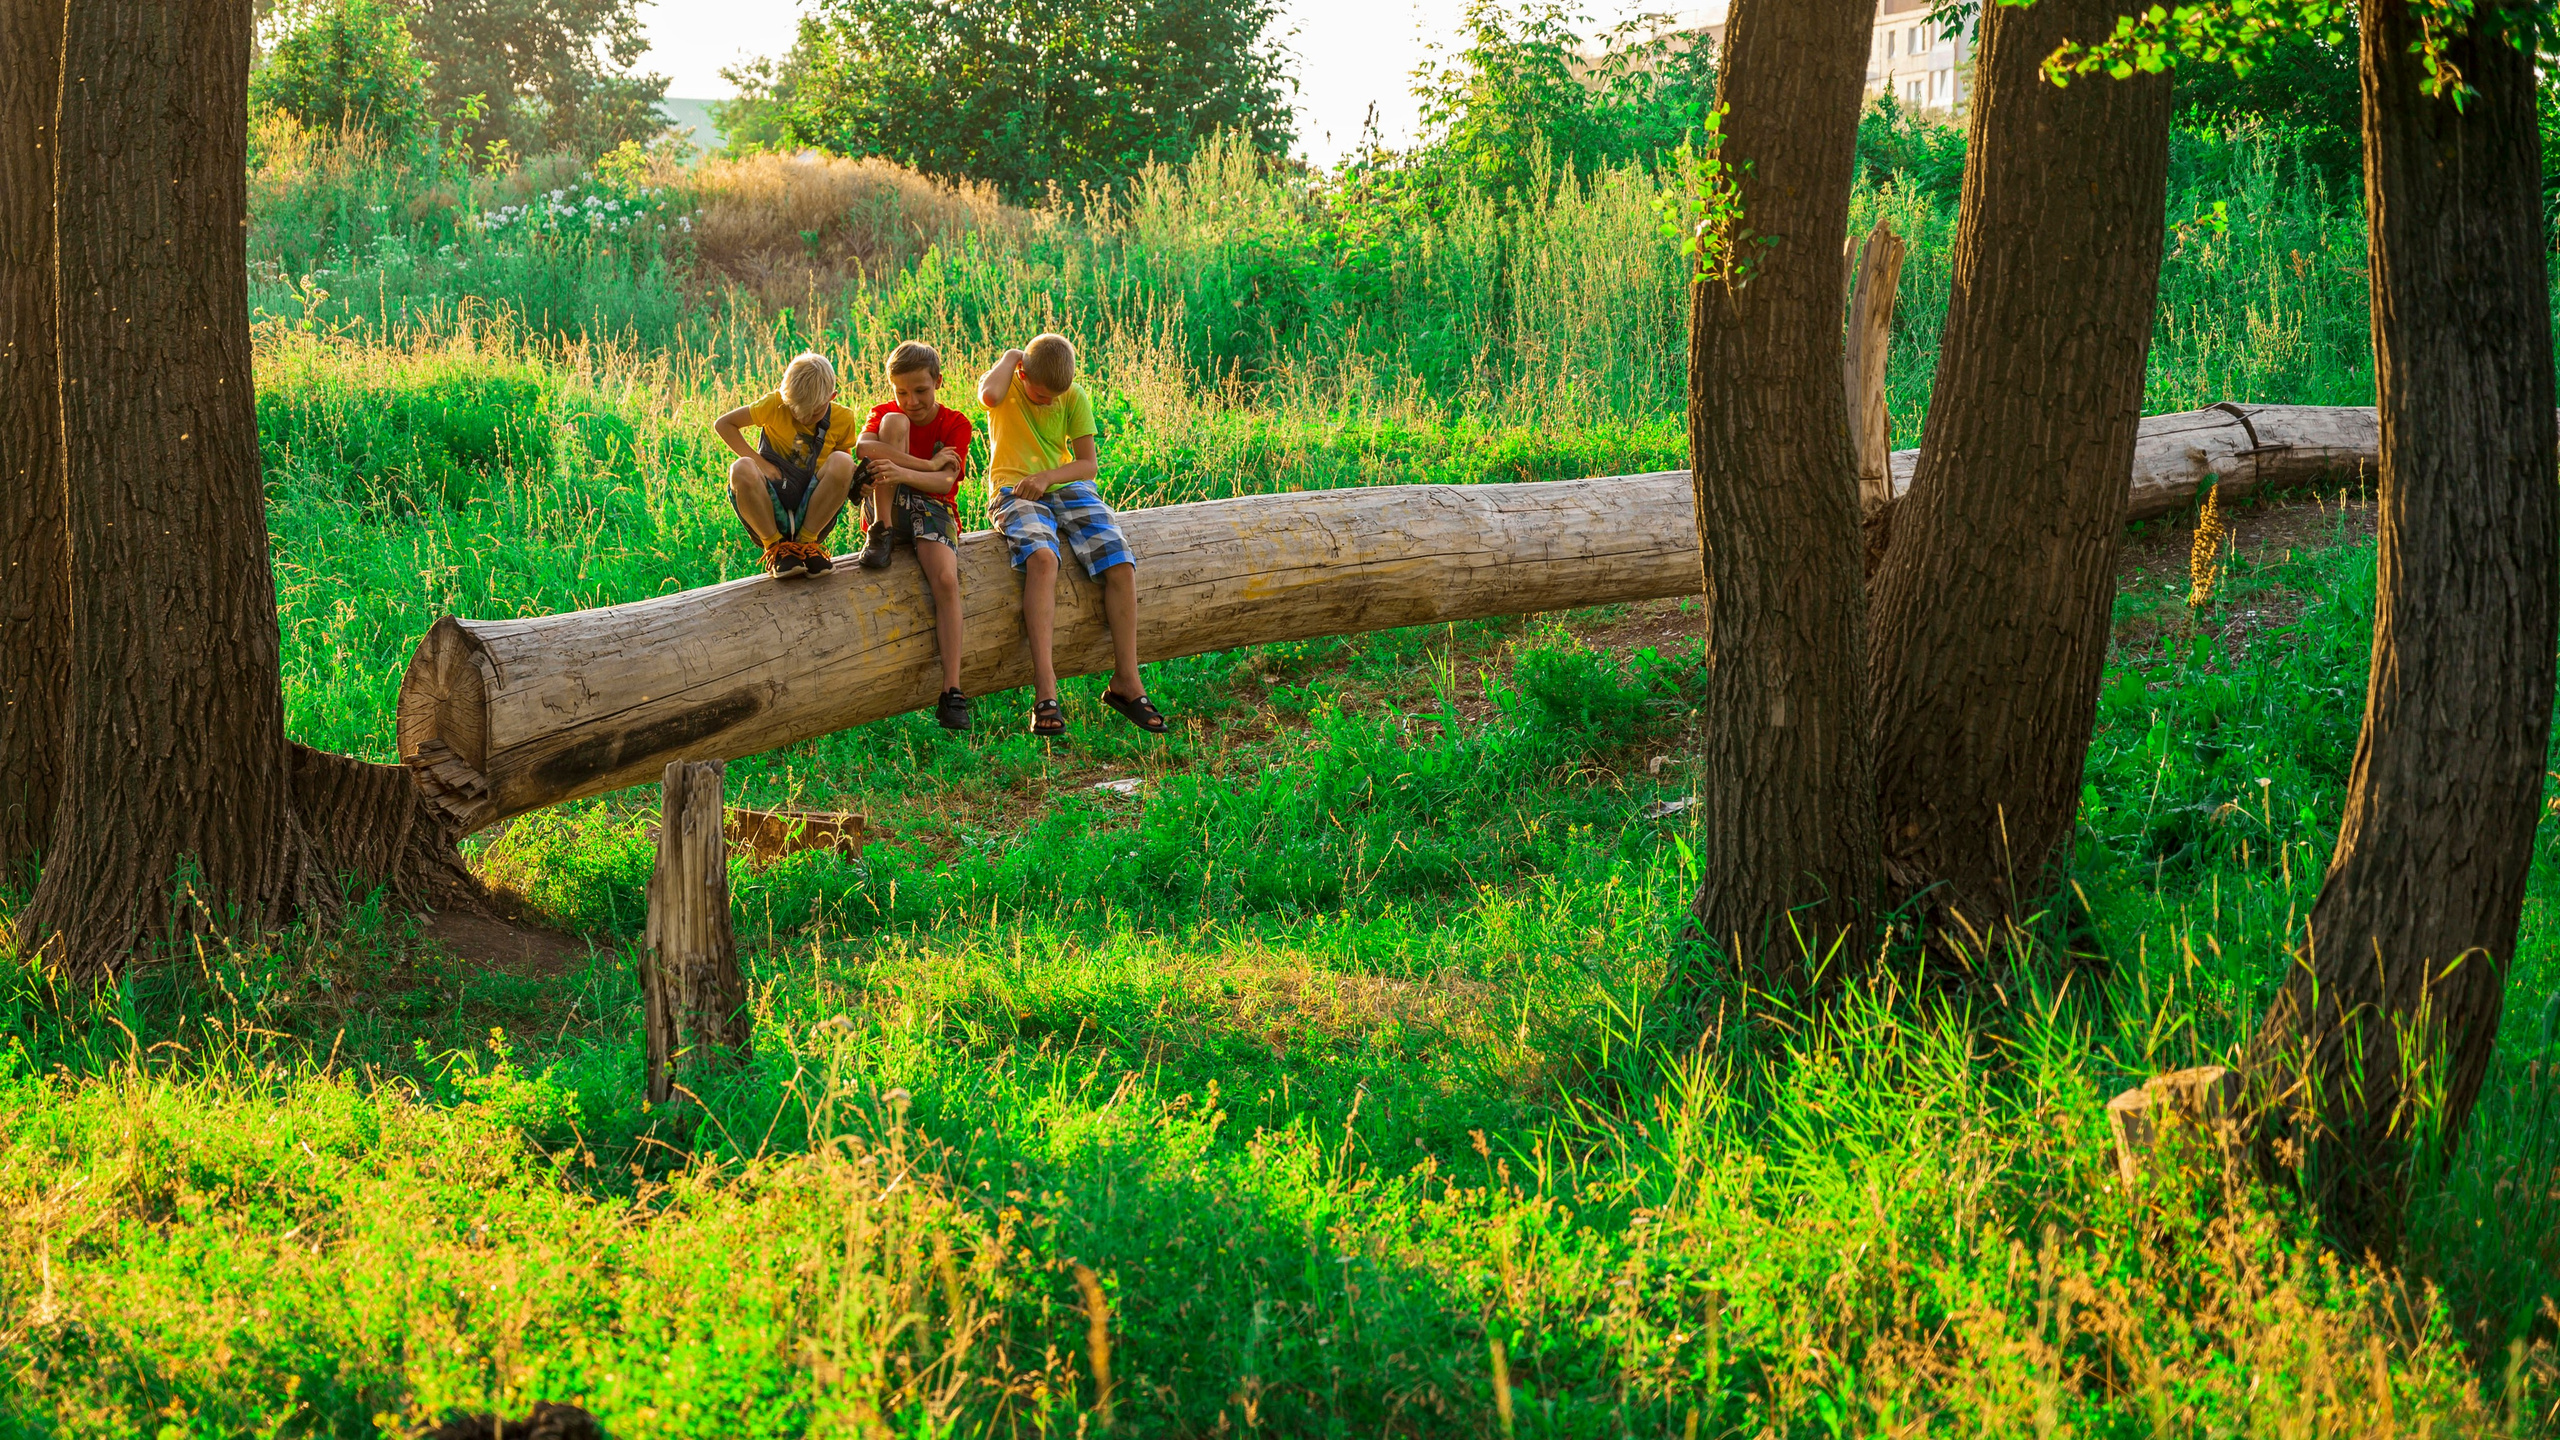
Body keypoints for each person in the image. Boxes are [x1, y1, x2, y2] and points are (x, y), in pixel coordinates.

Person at [979, 333, 1166, 737]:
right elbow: (988, 396)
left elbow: (1087, 464)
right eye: (1041, 395)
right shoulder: (1008, 385)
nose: (1049, 402)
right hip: (1013, 489)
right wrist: (1011, 355)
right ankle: (1046, 690)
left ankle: (1127, 680)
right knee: (1043, 558)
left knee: (1120, 561)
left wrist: (1048, 477)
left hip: (1066, 486)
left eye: (1056, 396)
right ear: (1022, 372)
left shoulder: (1072, 395)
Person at [852, 340, 975, 730]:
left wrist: (908, 471)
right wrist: (926, 464)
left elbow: (944, 482)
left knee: (946, 581)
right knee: (893, 425)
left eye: (920, 390)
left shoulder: (955, 423)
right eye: (901, 391)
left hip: (933, 507)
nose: (911, 401)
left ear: (938, 381)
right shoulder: (887, 413)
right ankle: (882, 531)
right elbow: (864, 446)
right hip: (887, 501)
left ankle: (952, 690)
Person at [712, 351, 861, 579]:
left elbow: (841, 470)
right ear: (784, 395)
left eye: (814, 413)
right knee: (741, 468)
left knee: (844, 461)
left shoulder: (843, 419)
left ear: (832, 397)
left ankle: (807, 546)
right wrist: (761, 464)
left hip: (813, 507)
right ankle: (776, 548)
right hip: (770, 503)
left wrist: (858, 484)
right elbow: (724, 424)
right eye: (795, 410)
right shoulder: (775, 404)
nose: (803, 418)